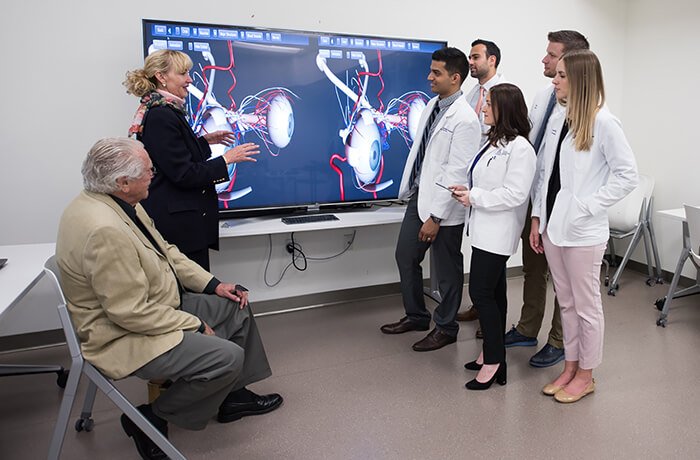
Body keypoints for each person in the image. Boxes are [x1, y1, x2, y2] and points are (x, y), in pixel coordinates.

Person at [56, 138, 283, 460]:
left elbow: (168, 253)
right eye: (148, 170)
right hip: (122, 333)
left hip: (156, 305)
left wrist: (213, 285)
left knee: (235, 307)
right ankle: (150, 418)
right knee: (226, 357)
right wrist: (193, 323)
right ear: (123, 182)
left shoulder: (118, 204)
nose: (155, 173)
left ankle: (233, 398)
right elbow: (129, 312)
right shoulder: (104, 229)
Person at [530, 50, 638, 403]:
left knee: (586, 306)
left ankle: (587, 374)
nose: (554, 80)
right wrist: (540, 219)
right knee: (567, 304)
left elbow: (627, 177)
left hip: (584, 231)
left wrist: (586, 206)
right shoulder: (566, 119)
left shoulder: (606, 123)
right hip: (556, 228)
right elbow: (551, 176)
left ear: (579, 80)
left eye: (561, 75)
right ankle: (571, 366)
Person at [380, 47, 481, 352]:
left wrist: (436, 217)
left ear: (455, 77)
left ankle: (447, 327)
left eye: (436, 73)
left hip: (444, 209)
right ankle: (416, 315)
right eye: (431, 71)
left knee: (447, 271)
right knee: (405, 256)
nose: (429, 77)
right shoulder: (432, 106)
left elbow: (457, 173)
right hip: (420, 198)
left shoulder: (465, 120)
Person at [123, 49, 260, 270]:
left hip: (181, 223)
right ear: (162, 77)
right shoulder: (161, 115)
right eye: (183, 74)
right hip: (178, 227)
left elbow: (175, 156)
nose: (189, 80)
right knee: (192, 290)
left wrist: (205, 142)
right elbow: (184, 173)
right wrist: (226, 160)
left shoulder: (165, 110)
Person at [505, 30, 590, 368]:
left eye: (551, 55)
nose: (544, 60)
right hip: (536, 199)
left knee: (563, 281)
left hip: (565, 205)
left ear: (571, 62)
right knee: (533, 269)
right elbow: (533, 143)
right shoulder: (544, 94)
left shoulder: (584, 109)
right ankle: (527, 328)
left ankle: (558, 340)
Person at [451, 83, 536, 390]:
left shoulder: (521, 149)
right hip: (484, 230)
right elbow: (485, 181)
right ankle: (491, 351)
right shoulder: (494, 142)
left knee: (481, 294)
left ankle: (495, 361)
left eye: (489, 104)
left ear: (505, 109)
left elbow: (514, 194)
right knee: (496, 295)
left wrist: (474, 197)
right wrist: (467, 192)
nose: (483, 108)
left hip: (498, 233)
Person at [456, 39, 508, 330]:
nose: (471, 62)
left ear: (493, 59)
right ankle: (482, 310)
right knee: (480, 257)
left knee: (494, 269)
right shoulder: (472, 93)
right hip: (473, 182)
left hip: (491, 188)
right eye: (469, 57)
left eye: (475, 57)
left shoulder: (504, 92)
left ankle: (493, 324)